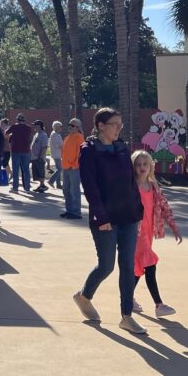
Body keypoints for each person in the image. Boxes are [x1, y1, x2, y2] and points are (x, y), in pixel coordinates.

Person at [73, 108, 146, 335]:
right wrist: (101, 216)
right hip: (105, 218)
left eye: (120, 124)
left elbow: (131, 183)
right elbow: (90, 187)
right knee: (106, 266)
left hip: (128, 216)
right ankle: (84, 296)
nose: (118, 128)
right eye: (114, 124)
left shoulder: (122, 148)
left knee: (127, 266)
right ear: (101, 126)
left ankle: (127, 316)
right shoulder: (89, 151)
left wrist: (138, 211)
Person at [131, 150, 182, 317]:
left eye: (145, 164)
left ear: (151, 166)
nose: (142, 167)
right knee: (150, 264)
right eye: (138, 164)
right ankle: (159, 305)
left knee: (140, 267)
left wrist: (174, 227)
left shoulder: (153, 186)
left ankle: (127, 297)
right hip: (136, 234)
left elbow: (165, 207)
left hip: (148, 231)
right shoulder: (131, 186)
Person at [60, 118, 84, 219]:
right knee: (66, 189)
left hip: (74, 168)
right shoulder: (67, 137)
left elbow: (80, 153)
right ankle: (69, 210)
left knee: (74, 190)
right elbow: (63, 151)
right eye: (69, 125)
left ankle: (76, 212)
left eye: (72, 125)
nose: (70, 127)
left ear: (78, 127)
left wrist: (74, 164)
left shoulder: (79, 137)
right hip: (65, 167)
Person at [6, 114, 33, 193]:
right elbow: (30, 138)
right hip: (26, 150)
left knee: (15, 169)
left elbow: (6, 132)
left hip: (16, 150)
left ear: (17, 119)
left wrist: (11, 135)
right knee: (26, 170)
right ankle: (27, 188)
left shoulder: (14, 127)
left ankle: (15, 187)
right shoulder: (28, 128)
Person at [30, 119, 49, 194]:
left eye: (35, 125)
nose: (34, 127)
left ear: (39, 126)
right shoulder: (37, 134)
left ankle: (43, 185)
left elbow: (44, 147)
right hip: (34, 157)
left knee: (41, 172)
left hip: (39, 157)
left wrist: (41, 157)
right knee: (36, 173)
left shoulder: (43, 135)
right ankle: (41, 185)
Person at [48, 121, 64, 188]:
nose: (61, 128)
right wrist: (63, 146)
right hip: (56, 154)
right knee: (60, 169)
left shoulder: (57, 134)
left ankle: (58, 184)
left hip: (58, 154)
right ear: (57, 127)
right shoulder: (54, 134)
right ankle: (51, 181)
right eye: (61, 127)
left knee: (58, 169)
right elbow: (56, 144)